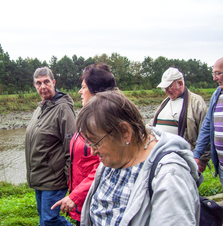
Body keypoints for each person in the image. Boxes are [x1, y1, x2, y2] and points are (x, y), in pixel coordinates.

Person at [77, 90, 200, 226]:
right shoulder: (117, 154)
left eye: (96, 142)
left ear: (124, 132)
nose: (92, 151)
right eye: (88, 142)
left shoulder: (170, 175)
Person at [51, 64, 118, 225]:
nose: (80, 92)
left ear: (96, 91)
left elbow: (103, 167)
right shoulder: (87, 119)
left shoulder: (103, 123)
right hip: (84, 200)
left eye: (83, 87)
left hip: (96, 201)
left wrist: (75, 196)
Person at [25, 66, 76, 226]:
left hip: (53, 179)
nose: (43, 86)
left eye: (46, 82)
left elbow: (71, 146)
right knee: (44, 219)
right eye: (38, 83)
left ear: (53, 82)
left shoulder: (63, 109)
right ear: (34, 86)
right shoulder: (40, 108)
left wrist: (70, 182)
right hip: (39, 177)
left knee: (49, 220)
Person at [148, 67, 210, 172]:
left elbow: (206, 132)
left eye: (169, 87)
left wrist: (202, 160)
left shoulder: (196, 102)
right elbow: (152, 124)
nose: (166, 91)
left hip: (183, 158)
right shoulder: (165, 102)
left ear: (180, 83)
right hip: (161, 158)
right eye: (164, 88)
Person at [194, 57, 223, 188]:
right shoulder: (217, 95)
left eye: (218, 73)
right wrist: (197, 154)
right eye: (214, 74)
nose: (214, 78)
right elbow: (207, 126)